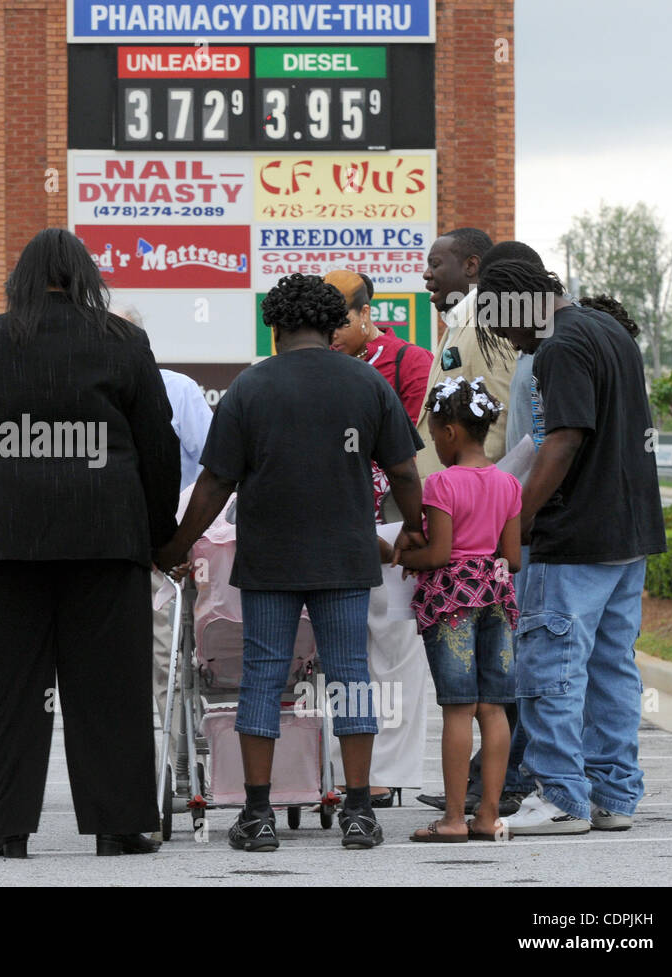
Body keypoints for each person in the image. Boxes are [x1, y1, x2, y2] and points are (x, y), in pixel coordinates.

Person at [0, 228, 180, 859]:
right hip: (105, 543)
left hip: (5, 544)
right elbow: (158, 448)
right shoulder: (124, 342)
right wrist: (163, 538)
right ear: (86, 278)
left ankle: (12, 827)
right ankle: (117, 825)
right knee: (110, 686)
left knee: (9, 689)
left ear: (19, 279)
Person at [156, 273, 425, 852]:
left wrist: (176, 546)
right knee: (352, 677)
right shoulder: (366, 383)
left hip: (270, 558)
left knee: (263, 677)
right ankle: (358, 812)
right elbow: (404, 471)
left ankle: (256, 815)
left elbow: (214, 483)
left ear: (273, 327)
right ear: (333, 326)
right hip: (346, 556)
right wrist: (418, 532)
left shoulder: (250, 389)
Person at [475, 259, 666, 835]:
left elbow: (561, 441)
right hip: (626, 534)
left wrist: (519, 518)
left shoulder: (559, 345)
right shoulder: (609, 331)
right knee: (611, 667)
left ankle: (560, 796)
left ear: (517, 303)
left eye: (502, 325)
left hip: (575, 535)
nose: (510, 340)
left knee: (550, 665)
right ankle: (614, 794)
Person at [391, 377, 521, 841]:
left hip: (451, 604)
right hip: (498, 599)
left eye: (433, 434)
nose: (433, 445)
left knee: (458, 709)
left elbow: (441, 554)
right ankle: (487, 816)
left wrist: (402, 559)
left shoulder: (441, 484)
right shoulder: (509, 483)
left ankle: (452, 820)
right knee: (495, 709)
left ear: (450, 433)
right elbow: (514, 557)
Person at [323, 269, 431, 807]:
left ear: (368, 314)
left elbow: (405, 444)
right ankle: (344, 771)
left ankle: (388, 771)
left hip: (392, 515)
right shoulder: (314, 361)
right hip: (332, 515)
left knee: (395, 648)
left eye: (341, 319)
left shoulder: (409, 361)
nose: (333, 330)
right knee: (344, 651)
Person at [111, 306, 214, 752]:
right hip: (107, 551)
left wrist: (181, 538)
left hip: (171, 550)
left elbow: (215, 465)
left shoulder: (177, 388)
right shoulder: (86, 392)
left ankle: (186, 758)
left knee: (174, 657)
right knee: (129, 666)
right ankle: (158, 768)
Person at [418, 228, 515, 474]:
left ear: (471, 265)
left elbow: (498, 419)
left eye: (435, 264)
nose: (426, 274)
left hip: (466, 502)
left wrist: (472, 487)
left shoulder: (489, 325)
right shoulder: (458, 323)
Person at [325, 269, 432, 425]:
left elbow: (419, 438)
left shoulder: (413, 361)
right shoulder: (321, 361)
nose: (332, 334)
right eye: (324, 325)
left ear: (364, 312)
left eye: (340, 324)